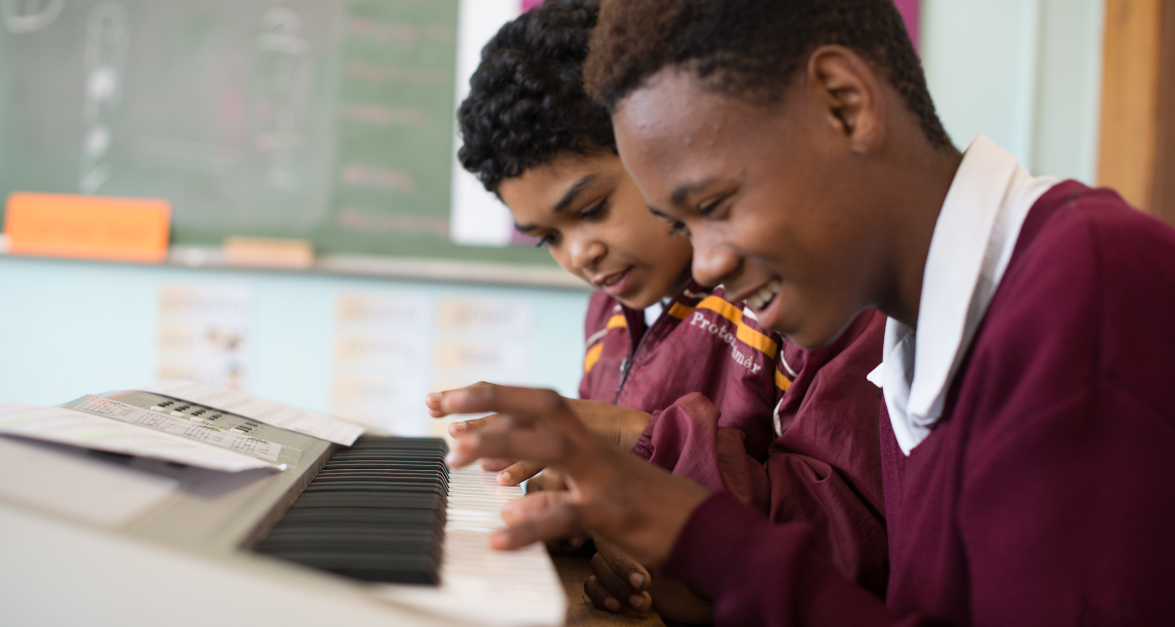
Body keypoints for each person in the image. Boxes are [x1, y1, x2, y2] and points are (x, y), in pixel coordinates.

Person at [435, 0, 1175, 624]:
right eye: (682, 224)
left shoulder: (1091, 286)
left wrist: (694, 530)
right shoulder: (915, 329)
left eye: (715, 205)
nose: (704, 266)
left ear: (844, 104)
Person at [428, 1, 889, 621]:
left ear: (656, 145)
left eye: (591, 209)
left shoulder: (802, 290)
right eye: (548, 237)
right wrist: (574, 504)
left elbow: (853, 539)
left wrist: (633, 438)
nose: (579, 253)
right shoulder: (610, 315)